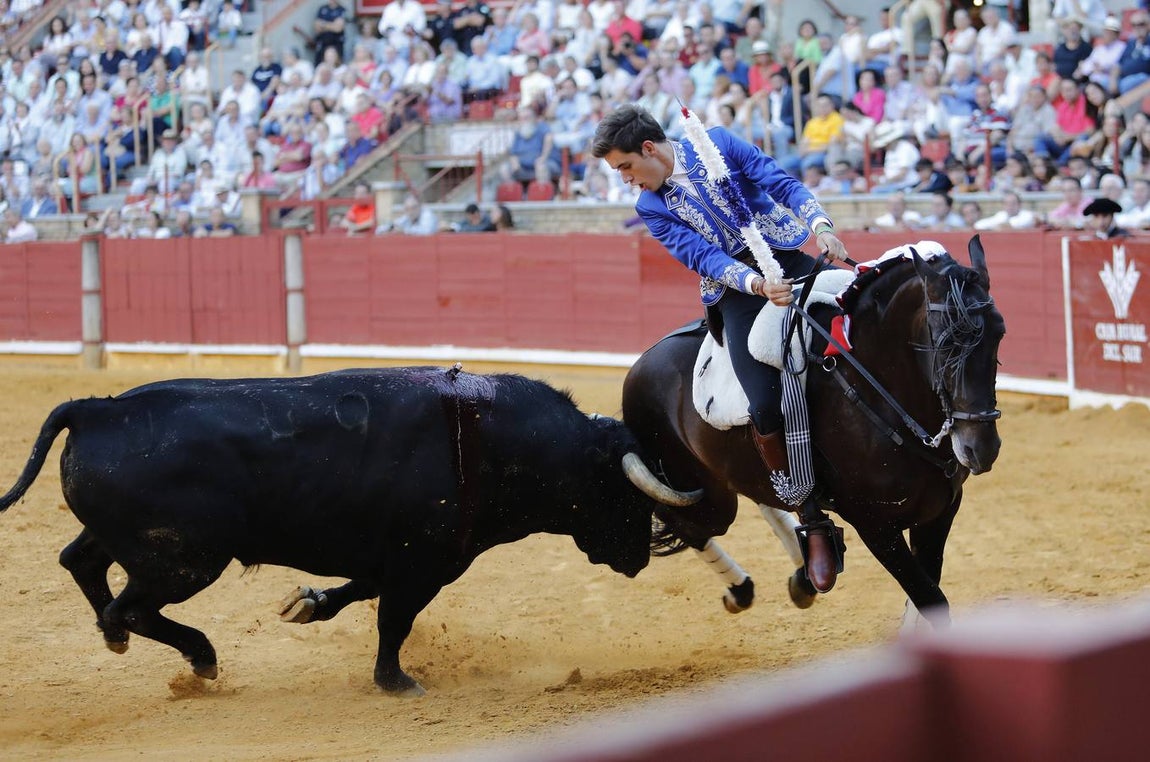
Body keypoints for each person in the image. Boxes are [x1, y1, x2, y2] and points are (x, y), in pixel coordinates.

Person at [590, 104, 848, 593]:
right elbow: (701, 256)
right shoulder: (650, 206)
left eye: (624, 167)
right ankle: (813, 522)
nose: (625, 180)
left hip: (793, 254)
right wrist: (754, 284)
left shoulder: (721, 142)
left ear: (648, 149)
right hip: (737, 296)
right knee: (765, 405)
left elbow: (780, 182)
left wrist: (821, 225)